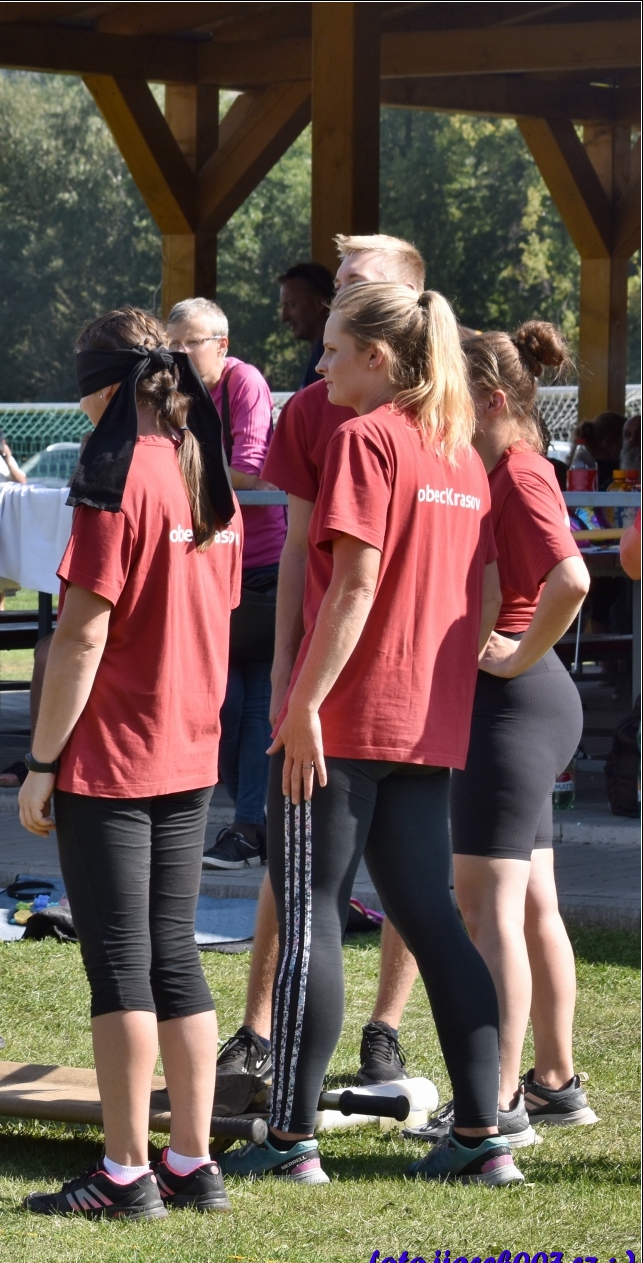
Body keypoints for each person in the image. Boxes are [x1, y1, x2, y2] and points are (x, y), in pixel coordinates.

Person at [222, 281, 520, 1186]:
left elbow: (353, 585)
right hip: (425, 723)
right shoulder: (460, 452)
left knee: (310, 918)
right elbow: (482, 590)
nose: (320, 365)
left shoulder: (365, 439)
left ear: (380, 359)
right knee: (433, 920)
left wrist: (303, 704)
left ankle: (289, 1141)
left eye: (334, 350)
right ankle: (483, 1137)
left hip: (344, 722)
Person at [16, 307, 242, 1220]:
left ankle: (123, 1173)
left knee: (119, 965)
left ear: (102, 389)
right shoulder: (202, 465)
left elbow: (81, 634)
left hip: (113, 752)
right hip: (190, 745)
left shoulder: (116, 474)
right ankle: (192, 1161)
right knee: (174, 953)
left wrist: (41, 760)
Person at [217, 234, 430, 1092]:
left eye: (355, 284)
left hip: (410, 685)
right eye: (337, 284)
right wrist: (285, 675)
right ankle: (257, 1029)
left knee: (414, 879)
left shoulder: (442, 411)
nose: (336, 297)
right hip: (322, 681)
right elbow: (302, 552)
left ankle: (386, 1032)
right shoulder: (312, 409)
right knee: (295, 859)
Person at [401, 322, 595, 1145]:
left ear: (489, 400)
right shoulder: (501, 469)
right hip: (527, 705)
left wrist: (515, 655)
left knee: (487, 914)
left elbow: (572, 578)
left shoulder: (518, 473)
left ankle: (499, 1100)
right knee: (532, 906)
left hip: (514, 708)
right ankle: (553, 1083)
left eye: (446, 392)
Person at [165, 299, 282, 872]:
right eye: (172, 345)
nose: (178, 355)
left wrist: (172, 467)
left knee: (252, 704)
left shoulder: (244, 383)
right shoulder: (171, 390)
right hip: (205, 563)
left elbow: (251, 472)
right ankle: (253, 822)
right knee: (226, 704)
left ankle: (249, 825)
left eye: (190, 344)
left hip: (259, 565)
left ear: (222, 345)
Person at [278, 264, 335, 390]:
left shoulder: (326, 353)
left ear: (319, 304)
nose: (284, 317)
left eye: (291, 305)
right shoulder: (319, 352)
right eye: (283, 306)